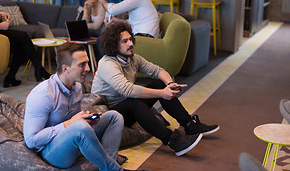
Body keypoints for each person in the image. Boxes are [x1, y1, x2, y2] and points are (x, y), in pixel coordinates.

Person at [91, 22, 220, 156]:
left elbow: (157, 70)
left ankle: (189, 124)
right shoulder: (107, 64)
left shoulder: (133, 58)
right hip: (109, 113)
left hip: (127, 104)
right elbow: (127, 90)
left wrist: (170, 84)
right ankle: (172, 140)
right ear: (113, 44)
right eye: (125, 41)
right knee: (135, 102)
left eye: (130, 39)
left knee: (159, 83)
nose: (130, 44)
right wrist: (162, 93)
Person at [24, 42, 135, 171]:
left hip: (72, 139)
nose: (88, 68)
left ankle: (108, 163)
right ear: (65, 68)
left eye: (87, 63)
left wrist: (88, 120)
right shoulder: (42, 95)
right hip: (50, 152)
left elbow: (74, 121)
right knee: (79, 127)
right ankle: (114, 169)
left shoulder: (77, 87)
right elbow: (31, 140)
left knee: (114, 117)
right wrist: (69, 124)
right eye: (82, 64)